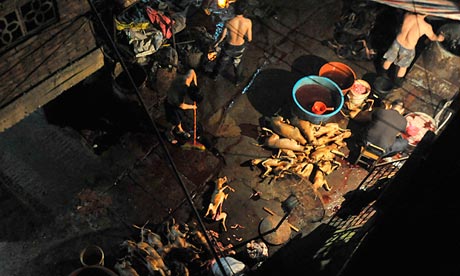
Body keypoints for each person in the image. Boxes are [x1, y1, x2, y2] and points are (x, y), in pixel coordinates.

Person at [381, 12, 444, 86]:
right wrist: (440, 38)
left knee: (389, 59)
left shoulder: (407, 15)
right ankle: (397, 82)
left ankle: (382, 74)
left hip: (397, 41)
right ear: (426, 14)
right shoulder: (426, 26)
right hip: (408, 48)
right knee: (403, 66)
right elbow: (433, 38)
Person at [210, 0, 252, 86]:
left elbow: (222, 37)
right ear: (244, 11)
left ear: (234, 10)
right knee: (237, 63)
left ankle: (214, 76)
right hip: (239, 47)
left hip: (228, 46)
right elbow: (250, 39)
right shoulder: (248, 22)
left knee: (221, 62)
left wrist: (216, 44)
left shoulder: (229, 22)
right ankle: (237, 81)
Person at [164, 69, 199, 144]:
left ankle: (179, 130)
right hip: (171, 104)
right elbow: (182, 106)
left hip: (176, 103)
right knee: (173, 121)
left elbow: (192, 71)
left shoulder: (188, 80)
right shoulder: (179, 93)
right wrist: (192, 107)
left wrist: (195, 84)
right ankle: (168, 133)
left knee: (179, 118)